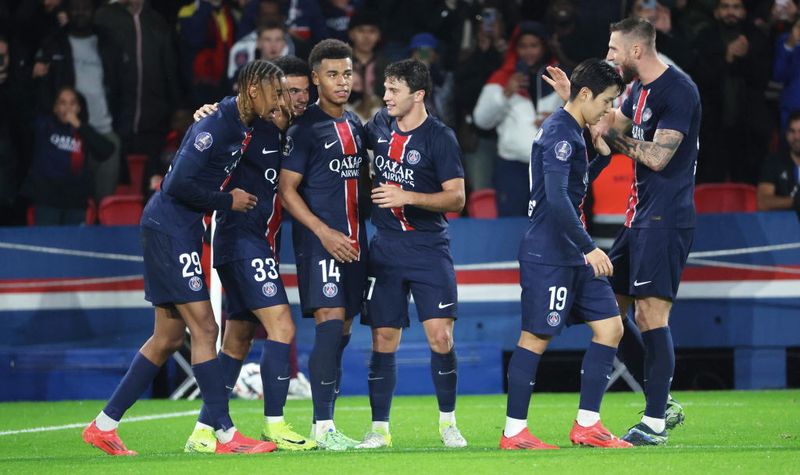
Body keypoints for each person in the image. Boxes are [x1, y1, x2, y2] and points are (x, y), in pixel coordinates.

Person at [81, 60, 284, 456]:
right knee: (206, 330)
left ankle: (103, 426)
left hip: (179, 229)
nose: (278, 100)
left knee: (167, 337)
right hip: (169, 227)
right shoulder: (217, 126)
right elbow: (174, 184)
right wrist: (229, 200)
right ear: (253, 89)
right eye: (274, 92)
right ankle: (225, 435)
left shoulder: (236, 118)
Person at [544, 17, 701, 445]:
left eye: (613, 49)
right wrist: (578, 104)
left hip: (666, 218)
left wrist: (612, 135)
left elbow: (657, 157)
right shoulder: (636, 91)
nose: (608, 56)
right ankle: (658, 396)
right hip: (639, 217)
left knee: (651, 313)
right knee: (608, 309)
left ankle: (655, 421)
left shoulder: (678, 91)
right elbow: (614, 128)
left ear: (636, 51)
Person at [499, 59, 630, 451]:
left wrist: (603, 156)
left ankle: (588, 424)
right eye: (606, 102)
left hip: (572, 252)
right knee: (535, 338)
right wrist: (590, 247)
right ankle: (513, 432)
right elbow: (556, 199)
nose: (609, 110)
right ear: (585, 95)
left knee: (611, 327)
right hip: (551, 253)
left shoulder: (572, 130)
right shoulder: (559, 133)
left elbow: (574, 183)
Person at [355, 59, 467, 450]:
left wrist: (408, 197)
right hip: (384, 248)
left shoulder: (440, 137)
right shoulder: (378, 127)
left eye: (394, 91)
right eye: (385, 89)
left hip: (427, 248)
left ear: (418, 95)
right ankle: (379, 430)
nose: (385, 97)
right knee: (383, 337)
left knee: (441, 338)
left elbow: (457, 197)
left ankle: (448, 423)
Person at [278, 39, 370, 451]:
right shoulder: (304, 129)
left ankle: (327, 421)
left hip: (355, 243)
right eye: (333, 74)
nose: (342, 81)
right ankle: (322, 425)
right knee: (330, 321)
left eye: (347, 73)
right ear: (315, 78)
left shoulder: (355, 125)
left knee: (343, 328)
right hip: (321, 244)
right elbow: (286, 189)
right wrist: (322, 232)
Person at [473, 21, 565, 216]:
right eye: (523, 46)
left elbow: (582, 117)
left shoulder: (561, 78)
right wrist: (505, 93)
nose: (528, 52)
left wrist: (560, 118)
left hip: (551, 163)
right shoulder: (502, 77)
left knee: (549, 226)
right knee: (511, 228)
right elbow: (481, 120)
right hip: (512, 167)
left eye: (534, 46)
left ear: (544, 47)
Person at [34, 0, 122, 201]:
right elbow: (44, 88)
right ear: (67, 11)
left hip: (102, 128)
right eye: (75, 7)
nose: (80, 12)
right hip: (67, 131)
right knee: (71, 198)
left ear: (94, 11)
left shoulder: (107, 41)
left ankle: (102, 224)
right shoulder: (53, 41)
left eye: (86, 7)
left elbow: (121, 85)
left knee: (104, 196)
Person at [20, 86, 114, 225]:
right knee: (48, 243)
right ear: (55, 108)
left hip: (75, 202)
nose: (67, 108)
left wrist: (79, 125)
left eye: (72, 103)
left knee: (73, 245)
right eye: (62, 103)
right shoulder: (43, 126)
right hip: (47, 201)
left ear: (78, 108)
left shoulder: (84, 131)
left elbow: (107, 150)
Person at [757, 111, 800, 214]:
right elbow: (762, 203)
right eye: (792, 131)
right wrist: (795, 202)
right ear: (786, 135)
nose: (797, 137)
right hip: (782, 226)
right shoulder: (774, 162)